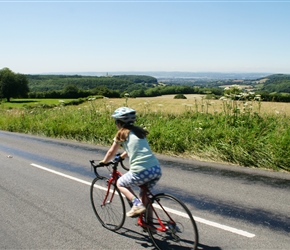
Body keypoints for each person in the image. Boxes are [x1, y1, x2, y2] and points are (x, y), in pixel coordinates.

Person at [100, 107, 162, 217]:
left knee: (120, 183)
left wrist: (104, 161)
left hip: (141, 170)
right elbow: (133, 148)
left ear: (119, 123)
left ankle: (136, 204)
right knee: (145, 197)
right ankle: (150, 225)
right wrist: (122, 156)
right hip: (156, 168)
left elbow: (111, 152)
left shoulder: (121, 134)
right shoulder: (139, 132)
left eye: (116, 122)